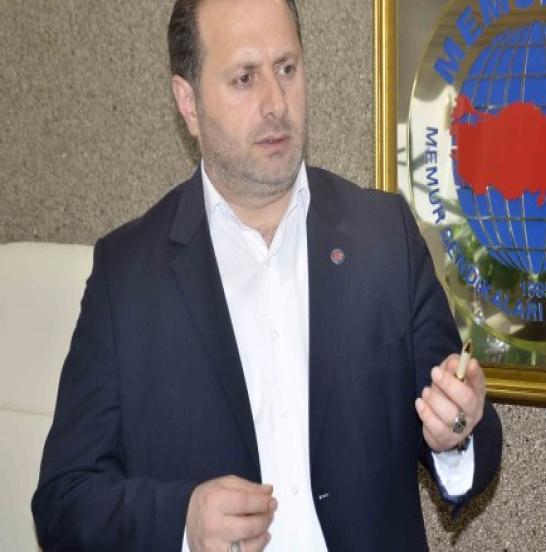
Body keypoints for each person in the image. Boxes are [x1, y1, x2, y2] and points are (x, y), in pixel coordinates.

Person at [31, 0, 502, 550]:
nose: (276, 103)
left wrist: (457, 433)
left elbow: (464, 430)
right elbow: (64, 501)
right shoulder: (127, 276)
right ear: (188, 102)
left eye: (286, 68)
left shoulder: (384, 237)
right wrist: (182, 522)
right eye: (244, 78)